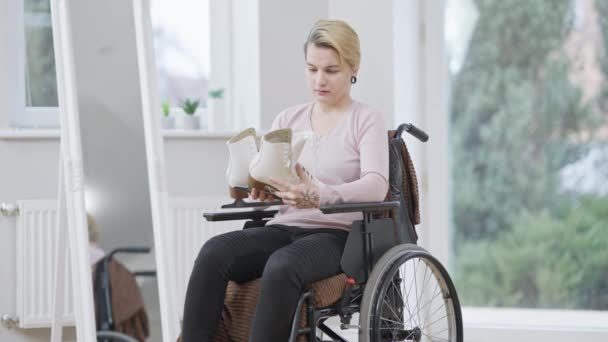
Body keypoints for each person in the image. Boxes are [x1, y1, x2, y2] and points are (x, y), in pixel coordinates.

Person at [181, 19, 388, 341]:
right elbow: (275, 178)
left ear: (353, 66)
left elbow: (377, 185)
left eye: (331, 70)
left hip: (336, 236)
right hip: (283, 226)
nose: (319, 79)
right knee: (213, 252)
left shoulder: (366, 118)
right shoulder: (287, 119)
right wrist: (265, 191)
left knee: (282, 265)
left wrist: (319, 195)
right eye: (312, 69)